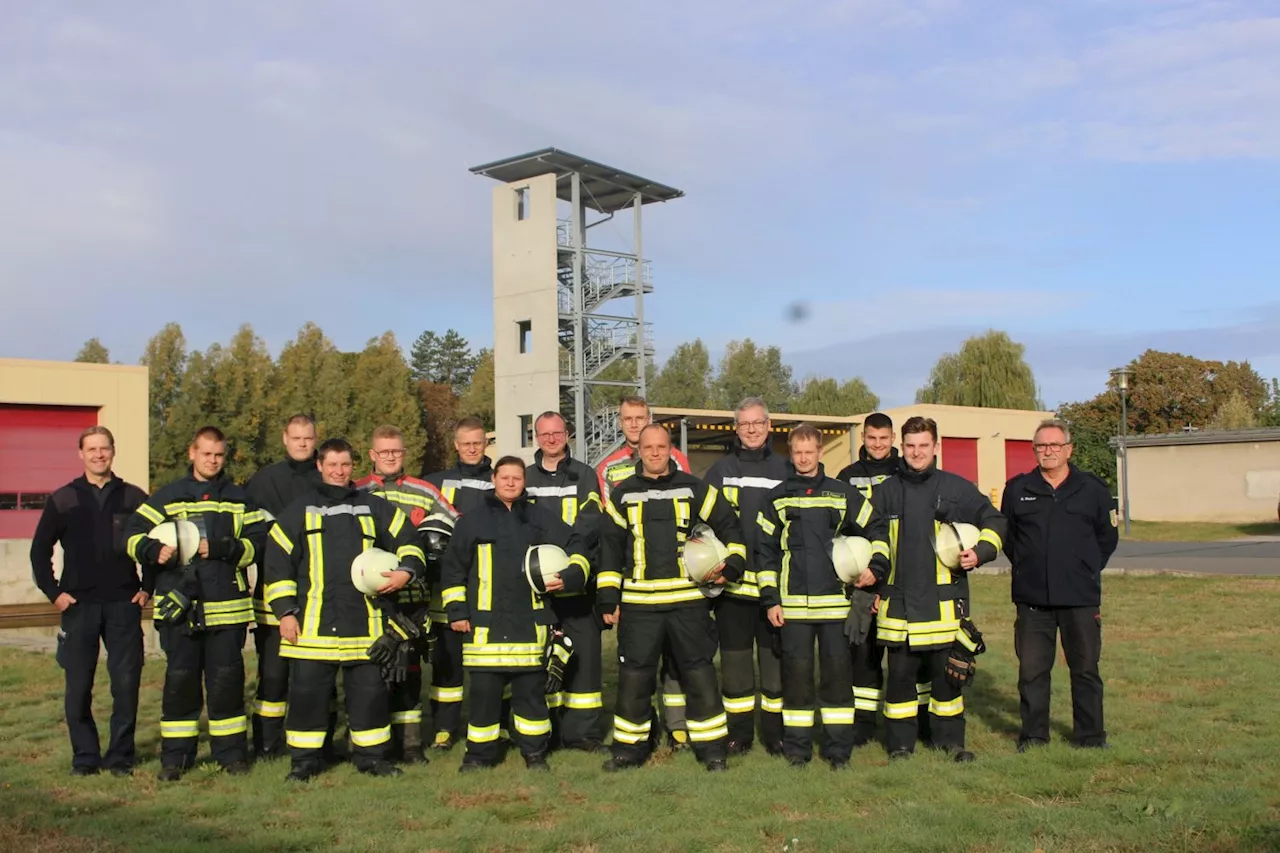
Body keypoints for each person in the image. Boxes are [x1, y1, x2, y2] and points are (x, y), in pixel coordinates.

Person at [262, 438, 427, 781]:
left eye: (345, 464)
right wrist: (285, 613)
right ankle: (304, 764)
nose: (339, 471)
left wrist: (406, 571)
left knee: (369, 698)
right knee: (308, 699)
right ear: (320, 466)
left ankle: (372, 760)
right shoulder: (299, 510)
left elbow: (410, 539)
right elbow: (277, 564)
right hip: (311, 627)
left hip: (364, 625)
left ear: (354, 467)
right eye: (332, 464)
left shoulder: (374, 507)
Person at [598, 424, 745, 772]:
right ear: (639, 450)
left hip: (688, 604)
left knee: (699, 675)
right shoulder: (621, 494)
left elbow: (730, 526)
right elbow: (609, 550)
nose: (654, 453)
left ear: (669, 450)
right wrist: (608, 598)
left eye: (661, 446)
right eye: (648, 447)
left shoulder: (696, 489)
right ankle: (628, 750)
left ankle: (712, 750)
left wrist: (734, 563)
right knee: (635, 678)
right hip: (639, 606)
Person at [125, 425, 269, 780]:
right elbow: (130, 535)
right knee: (179, 684)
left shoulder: (240, 497)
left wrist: (220, 548)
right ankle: (176, 759)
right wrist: (153, 551)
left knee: (227, 684)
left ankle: (232, 756)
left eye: (219, 455)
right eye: (206, 454)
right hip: (180, 609)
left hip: (227, 610)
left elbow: (258, 543)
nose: (213, 461)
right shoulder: (167, 497)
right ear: (192, 453)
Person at [440, 456, 591, 772]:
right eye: (505, 477)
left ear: (524, 482)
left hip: (529, 625)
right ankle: (478, 756)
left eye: (517, 478)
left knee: (531, 697)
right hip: (485, 628)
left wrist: (572, 575)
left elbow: (576, 544)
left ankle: (534, 753)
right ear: (493, 479)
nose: (510, 483)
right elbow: (453, 569)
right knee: (483, 698)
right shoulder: (471, 521)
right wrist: (456, 611)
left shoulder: (538, 517)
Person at [756, 425, 891, 769]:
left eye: (809, 451)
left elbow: (876, 527)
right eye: (797, 452)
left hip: (835, 606)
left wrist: (876, 565)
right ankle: (798, 751)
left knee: (836, 682)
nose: (803, 458)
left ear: (819, 452)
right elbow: (765, 552)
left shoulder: (841, 494)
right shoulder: (777, 497)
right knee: (797, 681)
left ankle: (838, 752)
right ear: (792, 454)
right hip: (792, 608)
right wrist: (770, 599)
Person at [873, 416, 1007, 762]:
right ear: (902, 448)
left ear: (936, 447)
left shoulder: (956, 488)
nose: (917, 453)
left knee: (947, 680)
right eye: (911, 446)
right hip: (898, 609)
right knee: (901, 683)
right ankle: (900, 746)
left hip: (944, 609)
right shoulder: (885, 492)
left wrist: (981, 552)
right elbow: (863, 541)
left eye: (924, 446)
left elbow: (995, 520)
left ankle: (951, 743)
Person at [31, 426, 149, 777]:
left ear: (113, 451)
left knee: (126, 684)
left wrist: (149, 586)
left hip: (123, 604)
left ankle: (120, 757)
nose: (99, 455)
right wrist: (54, 593)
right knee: (79, 685)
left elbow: (158, 543)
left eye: (105, 448)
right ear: (80, 454)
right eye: (92, 449)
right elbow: (40, 551)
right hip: (79, 606)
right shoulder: (64, 499)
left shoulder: (134, 497)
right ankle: (84, 757)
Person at [1002, 418, 1118, 752]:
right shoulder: (1017, 489)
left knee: (1085, 670)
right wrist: (1028, 568)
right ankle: (1035, 737)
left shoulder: (1092, 489)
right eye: (1042, 446)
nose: (1048, 451)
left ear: (1069, 449)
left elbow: (1106, 537)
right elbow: (1010, 540)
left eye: (1055, 445)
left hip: (1080, 598)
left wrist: (1085, 570)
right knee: (1032, 672)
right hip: (1033, 599)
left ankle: (1091, 737)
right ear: (1034, 450)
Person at [355, 424, 459, 764]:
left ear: (404, 453)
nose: (389, 457)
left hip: (412, 596)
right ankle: (375, 743)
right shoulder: (355, 491)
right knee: (374, 671)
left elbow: (456, 525)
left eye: (396, 451)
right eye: (383, 451)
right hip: (369, 600)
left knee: (409, 671)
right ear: (372, 454)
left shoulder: (425, 491)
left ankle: (411, 746)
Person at [595, 395, 694, 750]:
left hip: (675, 578)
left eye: (640, 418)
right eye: (628, 419)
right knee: (639, 660)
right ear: (620, 423)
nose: (634, 424)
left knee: (676, 658)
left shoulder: (676, 458)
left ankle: (678, 726)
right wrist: (615, 588)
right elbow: (612, 532)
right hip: (635, 581)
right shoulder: (608, 468)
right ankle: (644, 726)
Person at [702, 396, 788, 756]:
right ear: (735, 428)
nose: (751, 430)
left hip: (773, 591)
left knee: (774, 667)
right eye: (744, 424)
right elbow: (702, 524)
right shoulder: (719, 472)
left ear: (769, 426)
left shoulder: (786, 471)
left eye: (758, 423)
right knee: (736, 667)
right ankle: (739, 734)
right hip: (732, 590)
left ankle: (775, 734)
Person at [523, 411, 607, 752]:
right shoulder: (525, 477)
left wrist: (569, 565)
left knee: (584, 658)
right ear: (536, 437)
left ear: (567, 435)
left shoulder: (584, 475)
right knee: (539, 657)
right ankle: (547, 731)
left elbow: (589, 522)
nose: (552, 439)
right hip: (535, 584)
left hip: (576, 578)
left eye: (557, 433)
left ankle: (582, 734)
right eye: (545, 434)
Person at [244, 414, 321, 760]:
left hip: (318, 597)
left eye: (308, 438)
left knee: (315, 679)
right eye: (296, 438)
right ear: (284, 439)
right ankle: (266, 745)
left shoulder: (328, 478)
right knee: (273, 677)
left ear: (316, 440)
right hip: (272, 596)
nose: (302, 444)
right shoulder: (262, 482)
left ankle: (317, 743)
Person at [835, 412, 909, 744]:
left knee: (905, 657)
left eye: (883, 438)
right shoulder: (847, 476)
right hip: (861, 579)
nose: (877, 445)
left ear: (893, 438)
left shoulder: (906, 472)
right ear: (863, 438)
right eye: (871, 438)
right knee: (862, 655)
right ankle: (863, 725)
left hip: (900, 576)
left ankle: (912, 722)